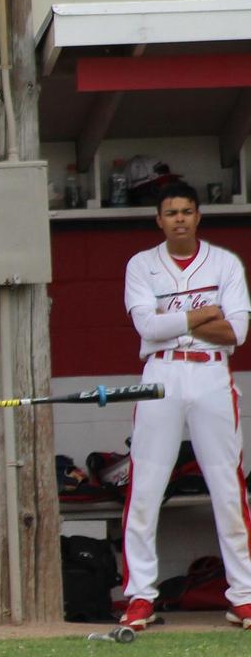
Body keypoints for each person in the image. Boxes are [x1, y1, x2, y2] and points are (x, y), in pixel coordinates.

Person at [117, 183, 251, 633]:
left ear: (198, 217)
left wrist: (171, 323)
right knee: (145, 488)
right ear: (159, 219)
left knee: (228, 488)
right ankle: (140, 596)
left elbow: (235, 333)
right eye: (170, 212)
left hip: (212, 373)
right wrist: (199, 316)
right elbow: (145, 327)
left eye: (186, 211)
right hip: (161, 375)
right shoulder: (142, 264)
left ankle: (244, 596)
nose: (179, 218)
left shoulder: (224, 263)